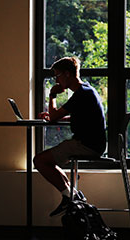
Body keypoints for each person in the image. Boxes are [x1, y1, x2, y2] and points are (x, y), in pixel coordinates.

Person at [33, 56, 106, 217]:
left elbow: (53, 117)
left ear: (67, 74)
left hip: (86, 145)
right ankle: (71, 194)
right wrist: (59, 116)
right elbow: (79, 116)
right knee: (49, 160)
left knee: (39, 160)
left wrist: (52, 95)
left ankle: (69, 196)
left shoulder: (81, 94)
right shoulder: (87, 90)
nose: (56, 80)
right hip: (94, 143)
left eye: (57, 75)